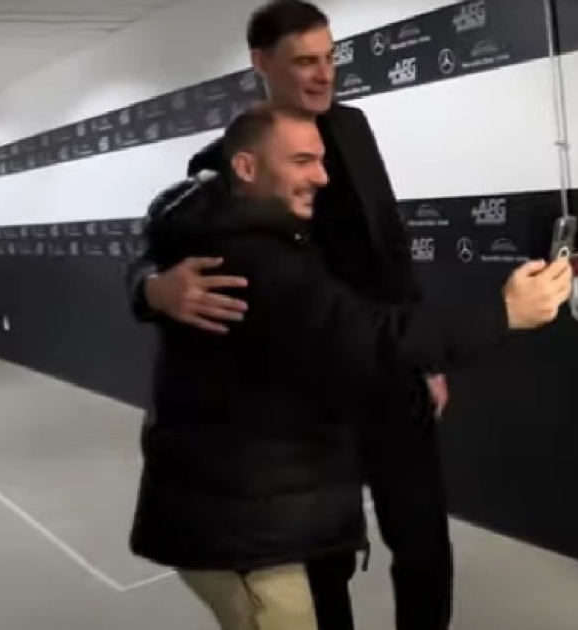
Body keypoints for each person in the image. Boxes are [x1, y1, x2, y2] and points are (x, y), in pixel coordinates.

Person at [123, 2, 497, 628]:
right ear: (261, 63)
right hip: (309, 395)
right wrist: (151, 289)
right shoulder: (223, 160)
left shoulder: (353, 128)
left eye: (330, 58)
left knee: (423, 539)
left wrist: (426, 360)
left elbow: (390, 244)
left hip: (387, 366)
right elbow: (156, 251)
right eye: (305, 61)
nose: (324, 75)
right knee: (323, 560)